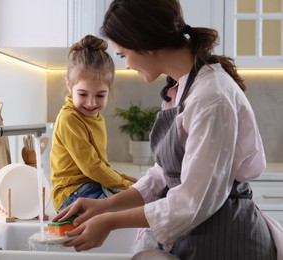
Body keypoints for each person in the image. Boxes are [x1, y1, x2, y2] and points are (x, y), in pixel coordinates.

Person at [53, 0, 283, 259]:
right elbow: (162, 176)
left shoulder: (212, 97)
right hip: (198, 240)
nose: (126, 65)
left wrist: (110, 221)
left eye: (123, 54)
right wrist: (104, 206)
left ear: (145, 44)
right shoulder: (182, 89)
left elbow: (191, 202)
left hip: (226, 243)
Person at [50, 34, 138, 213]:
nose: (91, 103)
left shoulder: (95, 118)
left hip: (91, 186)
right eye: (83, 94)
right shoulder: (69, 119)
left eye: (100, 95)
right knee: (134, 204)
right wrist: (126, 185)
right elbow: (92, 167)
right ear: (69, 85)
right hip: (73, 195)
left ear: (109, 89)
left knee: (141, 198)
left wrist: (128, 180)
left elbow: (100, 165)